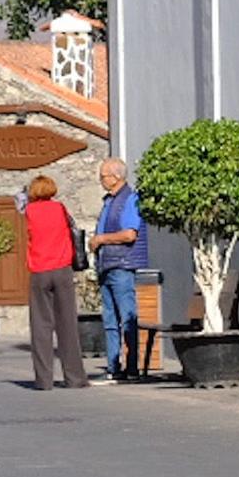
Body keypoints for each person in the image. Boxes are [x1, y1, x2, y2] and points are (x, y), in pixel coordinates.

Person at [22, 174, 89, 390]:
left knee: (41, 326)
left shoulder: (29, 211)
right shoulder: (60, 208)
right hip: (62, 269)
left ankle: (44, 379)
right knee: (67, 324)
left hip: (40, 270)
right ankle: (75, 377)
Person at [87, 158, 148, 383]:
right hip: (107, 265)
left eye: (103, 176)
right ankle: (114, 367)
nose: (101, 180)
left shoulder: (129, 199)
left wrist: (101, 239)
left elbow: (130, 234)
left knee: (127, 317)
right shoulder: (109, 201)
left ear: (116, 177)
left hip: (122, 266)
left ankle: (131, 367)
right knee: (110, 319)